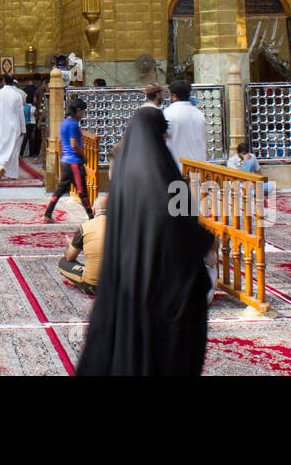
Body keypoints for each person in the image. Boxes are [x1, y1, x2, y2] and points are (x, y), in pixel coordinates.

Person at [77, 105, 213, 376]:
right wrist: (206, 239)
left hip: (128, 282)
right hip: (168, 288)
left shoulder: (123, 180)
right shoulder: (168, 178)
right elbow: (185, 230)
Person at [45, 97, 93, 222]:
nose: (83, 115)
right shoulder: (73, 124)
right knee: (82, 192)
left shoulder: (65, 122)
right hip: (74, 162)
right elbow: (73, 144)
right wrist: (83, 156)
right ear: (77, 111)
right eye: (82, 112)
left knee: (61, 189)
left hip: (65, 160)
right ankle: (91, 217)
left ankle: (48, 213)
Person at [58, 193, 109, 295]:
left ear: (93, 211)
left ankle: (77, 281)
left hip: (92, 285)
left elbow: (69, 257)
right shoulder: (123, 227)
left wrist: (70, 244)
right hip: (119, 286)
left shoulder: (85, 227)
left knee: (63, 262)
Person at [162, 79, 207, 169]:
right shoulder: (199, 114)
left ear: (174, 96)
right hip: (198, 168)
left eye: (169, 95)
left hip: (176, 168)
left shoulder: (168, 113)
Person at [0, 74, 26, 181]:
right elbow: (21, 113)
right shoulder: (17, 95)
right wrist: (23, 128)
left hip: (0, 125)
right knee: (13, 149)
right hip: (14, 125)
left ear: (3, 81)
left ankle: (0, 166)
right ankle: (12, 174)